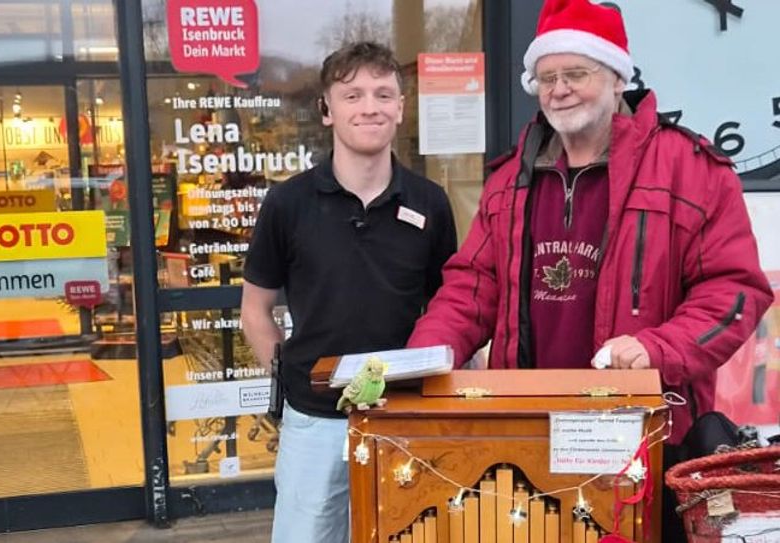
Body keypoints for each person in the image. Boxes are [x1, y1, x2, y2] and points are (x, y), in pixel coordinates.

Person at [406, 0, 773, 539]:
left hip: (648, 439)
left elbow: (735, 289)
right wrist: (424, 356)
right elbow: (471, 287)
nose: (559, 89)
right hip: (527, 440)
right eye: (547, 76)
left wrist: (658, 348)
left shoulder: (690, 168)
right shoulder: (509, 179)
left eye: (576, 73)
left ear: (617, 76)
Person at [241, 41, 457, 543]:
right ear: (326, 109)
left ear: (401, 109)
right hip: (315, 421)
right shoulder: (287, 203)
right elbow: (256, 309)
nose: (369, 107)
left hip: (407, 415)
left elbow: (448, 304)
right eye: (352, 94)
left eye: (384, 94)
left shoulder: (430, 204)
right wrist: (291, 382)